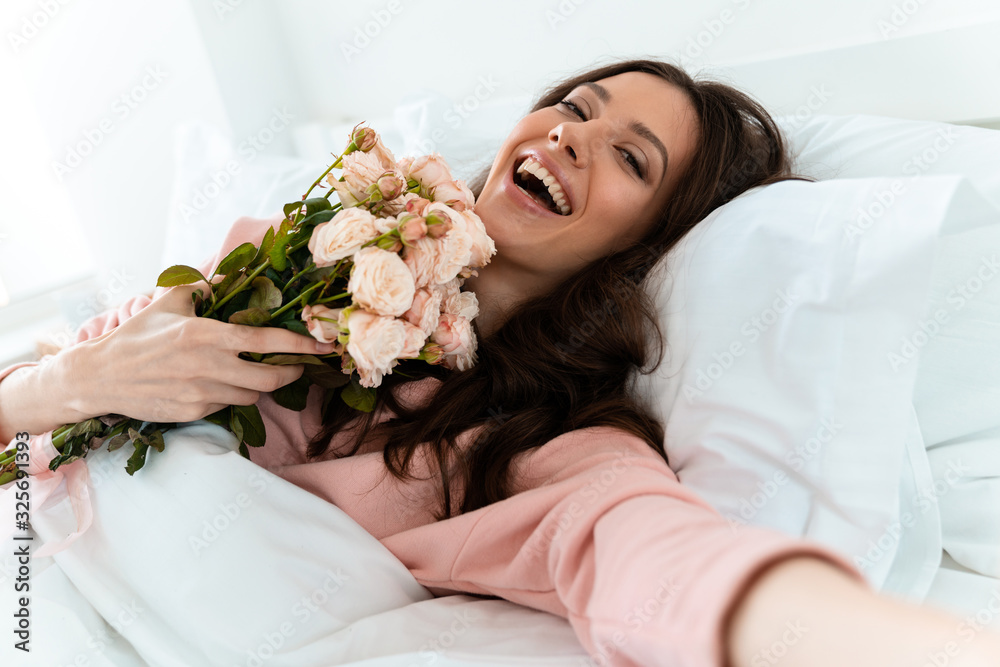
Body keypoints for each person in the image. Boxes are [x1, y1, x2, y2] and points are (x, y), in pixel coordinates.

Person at [2, 59, 999, 667]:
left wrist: (912, 646)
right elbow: (31, 416)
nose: (573, 134)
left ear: (643, 247)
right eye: (575, 105)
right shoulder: (282, 254)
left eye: (631, 157)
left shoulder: (551, 442)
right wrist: (71, 382)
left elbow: (661, 558)